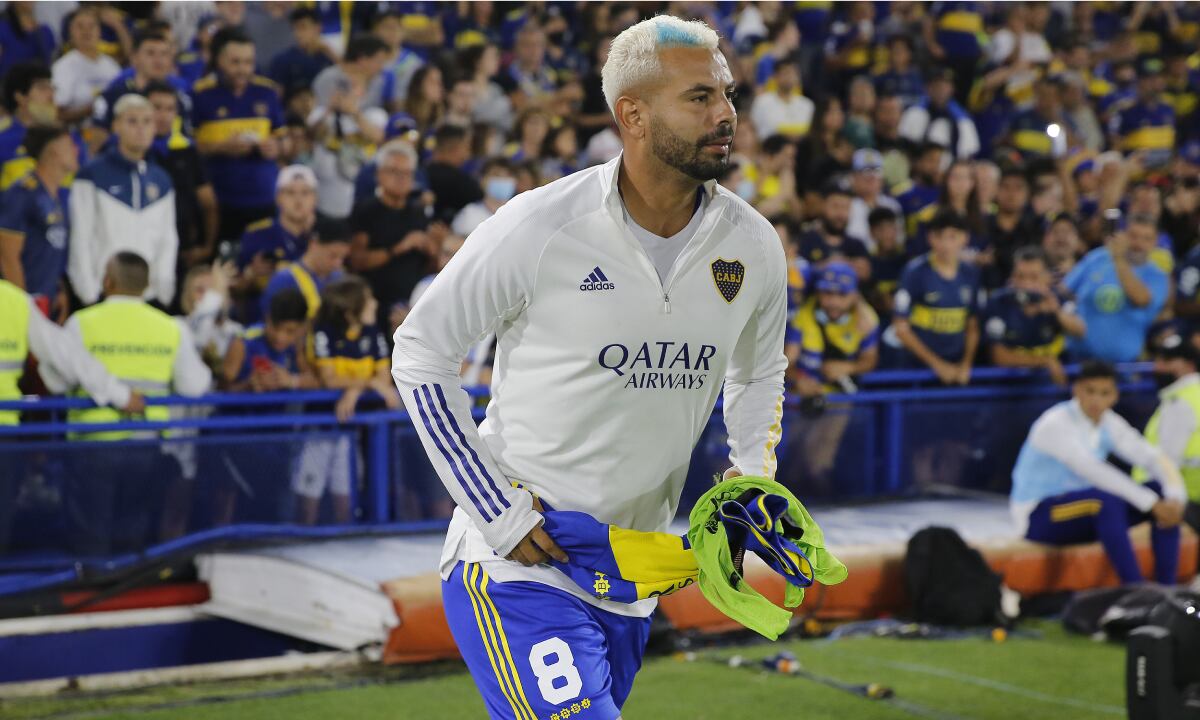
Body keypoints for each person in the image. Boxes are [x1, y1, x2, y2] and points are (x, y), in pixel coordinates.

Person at [393, 16, 787, 719]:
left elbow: (758, 373)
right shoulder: (539, 226)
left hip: (631, 576)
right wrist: (497, 511)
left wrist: (752, 475)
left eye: (727, 94)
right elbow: (420, 351)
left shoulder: (753, 245)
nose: (725, 114)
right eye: (700, 97)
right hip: (518, 564)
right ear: (632, 115)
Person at [63, 252, 211, 554]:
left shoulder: (81, 323)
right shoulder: (170, 328)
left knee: (90, 538)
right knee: (132, 538)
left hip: (93, 444)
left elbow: (57, 380)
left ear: (107, 281)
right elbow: (196, 386)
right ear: (146, 286)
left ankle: (95, 583)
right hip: (146, 446)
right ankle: (127, 582)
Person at [1011, 360, 1187, 585]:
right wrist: (1150, 503)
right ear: (1077, 390)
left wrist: (1175, 497)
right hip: (1039, 515)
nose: (1096, 400)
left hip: (1085, 511)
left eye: (1104, 393)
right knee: (1105, 501)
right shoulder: (1054, 423)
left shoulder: (1110, 423)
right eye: (1090, 391)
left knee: (1161, 493)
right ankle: (1135, 588)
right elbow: (1092, 469)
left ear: (1115, 396)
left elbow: (1152, 457)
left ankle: (1168, 588)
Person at [0, 278, 142, 551]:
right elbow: (66, 357)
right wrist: (120, 395)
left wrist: (118, 394)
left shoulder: (13, 301)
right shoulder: (12, 301)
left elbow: (65, 356)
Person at [302, 276, 399, 525]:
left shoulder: (373, 332)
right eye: (368, 300)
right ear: (350, 311)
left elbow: (383, 379)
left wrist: (355, 389)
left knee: (346, 501)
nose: (375, 304)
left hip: (350, 430)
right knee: (308, 500)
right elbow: (329, 380)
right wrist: (364, 384)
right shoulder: (323, 331)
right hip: (319, 428)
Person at [68, 94, 178, 307]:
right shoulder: (91, 175)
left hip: (149, 298)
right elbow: (80, 237)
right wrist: (89, 294)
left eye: (147, 121)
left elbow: (168, 239)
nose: (141, 129)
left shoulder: (161, 179)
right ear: (116, 126)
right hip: (103, 294)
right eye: (132, 121)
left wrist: (163, 292)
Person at [218, 288, 316, 525]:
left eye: (290, 331)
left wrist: (291, 380)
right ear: (267, 319)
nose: (281, 337)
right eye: (276, 328)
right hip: (234, 441)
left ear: (301, 328)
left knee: (269, 513)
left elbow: (317, 381)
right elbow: (220, 390)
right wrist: (247, 386)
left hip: (276, 445)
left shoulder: (298, 347)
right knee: (226, 507)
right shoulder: (243, 342)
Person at [785, 263, 879, 493]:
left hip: (838, 399)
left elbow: (870, 360)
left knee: (819, 459)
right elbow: (786, 362)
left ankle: (825, 501)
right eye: (827, 293)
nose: (833, 301)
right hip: (801, 398)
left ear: (854, 296)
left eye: (841, 295)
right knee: (792, 455)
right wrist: (799, 380)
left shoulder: (866, 320)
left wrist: (848, 367)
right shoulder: (803, 316)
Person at [192, 28, 285, 242]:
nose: (243, 69)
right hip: (219, 204)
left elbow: (284, 140)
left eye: (248, 62)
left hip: (264, 200)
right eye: (235, 62)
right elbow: (188, 148)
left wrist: (276, 147)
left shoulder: (267, 92)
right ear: (219, 60)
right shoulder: (200, 94)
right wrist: (220, 148)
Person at [890, 209, 980, 383]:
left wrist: (966, 363)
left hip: (956, 367)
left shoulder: (971, 273)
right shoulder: (914, 272)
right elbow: (900, 327)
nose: (946, 244)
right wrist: (937, 365)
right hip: (917, 369)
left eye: (952, 236)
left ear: (965, 238)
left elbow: (972, 325)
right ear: (930, 238)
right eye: (939, 236)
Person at [1066, 214, 1169, 363]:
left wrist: (1119, 259)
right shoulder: (1097, 258)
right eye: (1133, 236)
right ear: (1123, 236)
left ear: (1155, 242)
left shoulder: (1157, 276)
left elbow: (1140, 299)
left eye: (1146, 238)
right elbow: (1064, 291)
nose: (1138, 244)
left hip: (1124, 365)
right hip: (1078, 360)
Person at [348, 142, 432, 325]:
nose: (401, 178)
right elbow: (356, 261)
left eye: (407, 173)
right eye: (394, 171)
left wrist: (433, 248)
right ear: (379, 174)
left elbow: (428, 265)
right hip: (374, 305)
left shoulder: (418, 212)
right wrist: (399, 248)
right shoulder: (366, 210)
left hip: (413, 306)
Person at [1137, 335, 1200, 574]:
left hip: (1187, 502)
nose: (1158, 367)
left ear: (1188, 365)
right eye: (1158, 360)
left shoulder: (1180, 403)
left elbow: (1166, 461)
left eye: (1167, 361)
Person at [0, 126, 77, 313]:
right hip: (24, 304)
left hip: (47, 300)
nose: (76, 150)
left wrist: (58, 288)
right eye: (70, 145)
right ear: (54, 151)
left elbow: (50, 247)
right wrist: (23, 308)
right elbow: (7, 257)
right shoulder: (22, 195)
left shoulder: (56, 196)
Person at [146, 82, 219, 276]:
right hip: (141, 245)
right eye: (157, 107)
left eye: (170, 109)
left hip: (182, 248)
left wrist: (206, 246)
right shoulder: (129, 152)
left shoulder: (187, 150)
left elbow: (208, 203)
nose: (163, 116)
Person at [984, 247, 1086, 385]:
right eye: (1020, 276)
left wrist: (1057, 312)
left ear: (1047, 278)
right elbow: (999, 357)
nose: (1026, 284)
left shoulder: (1057, 298)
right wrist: (1044, 361)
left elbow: (1080, 331)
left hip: (1050, 385)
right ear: (1012, 276)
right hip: (1009, 387)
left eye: (1034, 277)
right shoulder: (999, 302)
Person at [236, 165, 319, 324]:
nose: (298, 200)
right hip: (265, 319)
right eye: (290, 193)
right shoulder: (257, 234)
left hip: (312, 319)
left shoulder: (322, 235)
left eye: (305, 193)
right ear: (278, 197)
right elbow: (235, 288)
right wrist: (251, 275)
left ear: (315, 198)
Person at [260, 223, 350, 320]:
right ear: (314, 244)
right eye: (333, 256)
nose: (337, 264)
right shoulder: (284, 280)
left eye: (342, 258)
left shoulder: (340, 279)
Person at [0, 62, 64, 191]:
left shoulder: (65, 138)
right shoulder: (3, 139)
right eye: (42, 88)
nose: (51, 95)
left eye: (52, 88)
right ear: (20, 97)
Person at [51, 7, 121, 125]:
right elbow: (56, 112)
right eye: (80, 26)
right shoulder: (63, 67)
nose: (86, 31)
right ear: (70, 32)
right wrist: (88, 110)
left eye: (91, 26)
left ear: (99, 31)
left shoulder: (111, 65)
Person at [899, 68, 980, 161]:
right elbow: (903, 145)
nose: (941, 90)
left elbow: (968, 154)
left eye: (945, 86)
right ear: (928, 88)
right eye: (937, 86)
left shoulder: (963, 119)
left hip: (950, 167)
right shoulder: (913, 112)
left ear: (952, 89)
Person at [798, 181, 871, 281]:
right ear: (823, 205)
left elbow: (866, 275)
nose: (840, 214)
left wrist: (862, 270)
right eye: (835, 206)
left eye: (845, 207)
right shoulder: (806, 240)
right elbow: (798, 275)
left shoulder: (857, 245)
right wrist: (827, 266)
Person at [267, 7, 334, 100]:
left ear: (317, 28)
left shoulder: (328, 57)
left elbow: (346, 80)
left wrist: (331, 53)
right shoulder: (282, 60)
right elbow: (275, 98)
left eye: (303, 27)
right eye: (295, 28)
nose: (298, 33)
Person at [311, 34, 392, 111]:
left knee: (378, 114)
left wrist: (355, 114)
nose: (382, 67)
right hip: (333, 118)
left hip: (361, 119)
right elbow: (318, 113)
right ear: (363, 59)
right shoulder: (328, 78)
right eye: (379, 61)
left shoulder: (378, 80)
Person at [426, 124, 484, 224]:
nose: (468, 154)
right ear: (455, 148)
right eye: (466, 147)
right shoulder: (462, 183)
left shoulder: (420, 172)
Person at [452, 158, 517, 237]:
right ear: (482, 180)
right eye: (496, 175)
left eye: (508, 175)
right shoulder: (469, 214)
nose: (503, 180)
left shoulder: (520, 214)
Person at [749, 61, 813, 140]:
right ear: (775, 76)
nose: (789, 77)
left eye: (793, 74)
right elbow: (754, 131)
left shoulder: (807, 105)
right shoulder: (761, 102)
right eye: (785, 73)